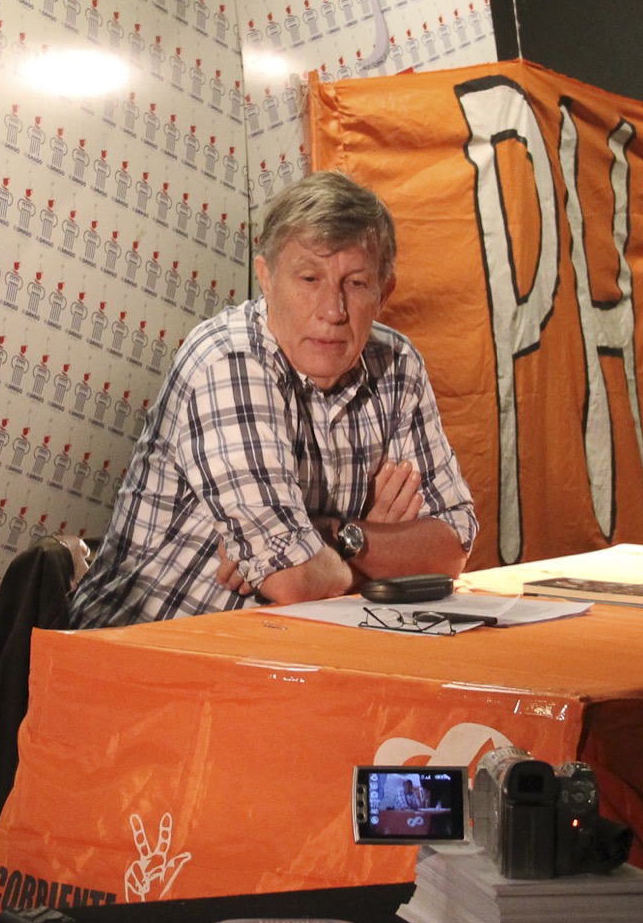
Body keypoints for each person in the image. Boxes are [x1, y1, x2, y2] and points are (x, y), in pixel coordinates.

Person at [67, 171, 478, 628]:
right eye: (310, 278)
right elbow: (296, 582)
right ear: (266, 278)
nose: (333, 310)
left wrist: (335, 534)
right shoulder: (228, 360)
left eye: (356, 283)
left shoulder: (397, 365)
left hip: (292, 644)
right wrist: (378, 556)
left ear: (385, 292)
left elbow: (452, 548)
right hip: (144, 649)